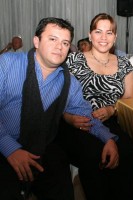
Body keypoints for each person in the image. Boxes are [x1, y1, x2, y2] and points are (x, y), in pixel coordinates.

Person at [0, 17, 119, 200]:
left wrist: (108, 139)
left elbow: (85, 113)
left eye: (65, 42)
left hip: (42, 145)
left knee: (61, 184)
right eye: (52, 39)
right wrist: (10, 149)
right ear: (36, 41)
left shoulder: (68, 82)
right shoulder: (8, 64)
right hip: (4, 143)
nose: (59, 47)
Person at [64, 13, 133, 200]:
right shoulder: (73, 61)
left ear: (115, 37)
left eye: (109, 32)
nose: (104, 37)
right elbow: (60, 98)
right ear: (90, 35)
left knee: (129, 151)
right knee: (94, 154)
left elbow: (130, 98)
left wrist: (112, 109)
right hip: (80, 122)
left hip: (112, 121)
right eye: (98, 31)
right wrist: (68, 117)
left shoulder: (124, 63)